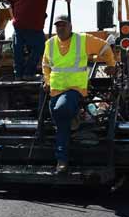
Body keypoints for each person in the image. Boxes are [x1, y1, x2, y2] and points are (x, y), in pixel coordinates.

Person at [42, 14, 115, 173]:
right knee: (59, 118)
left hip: (75, 89)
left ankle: (61, 158)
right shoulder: (50, 43)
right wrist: (47, 81)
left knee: (61, 112)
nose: (60, 28)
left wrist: (111, 64)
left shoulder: (83, 40)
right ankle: (71, 124)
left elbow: (105, 47)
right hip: (56, 90)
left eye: (63, 25)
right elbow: (46, 65)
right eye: (58, 25)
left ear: (70, 26)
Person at [5, 0, 72, 81]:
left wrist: (16, 8)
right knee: (41, 46)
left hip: (18, 22)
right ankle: (28, 73)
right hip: (33, 23)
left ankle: (18, 74)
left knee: (18, 48)